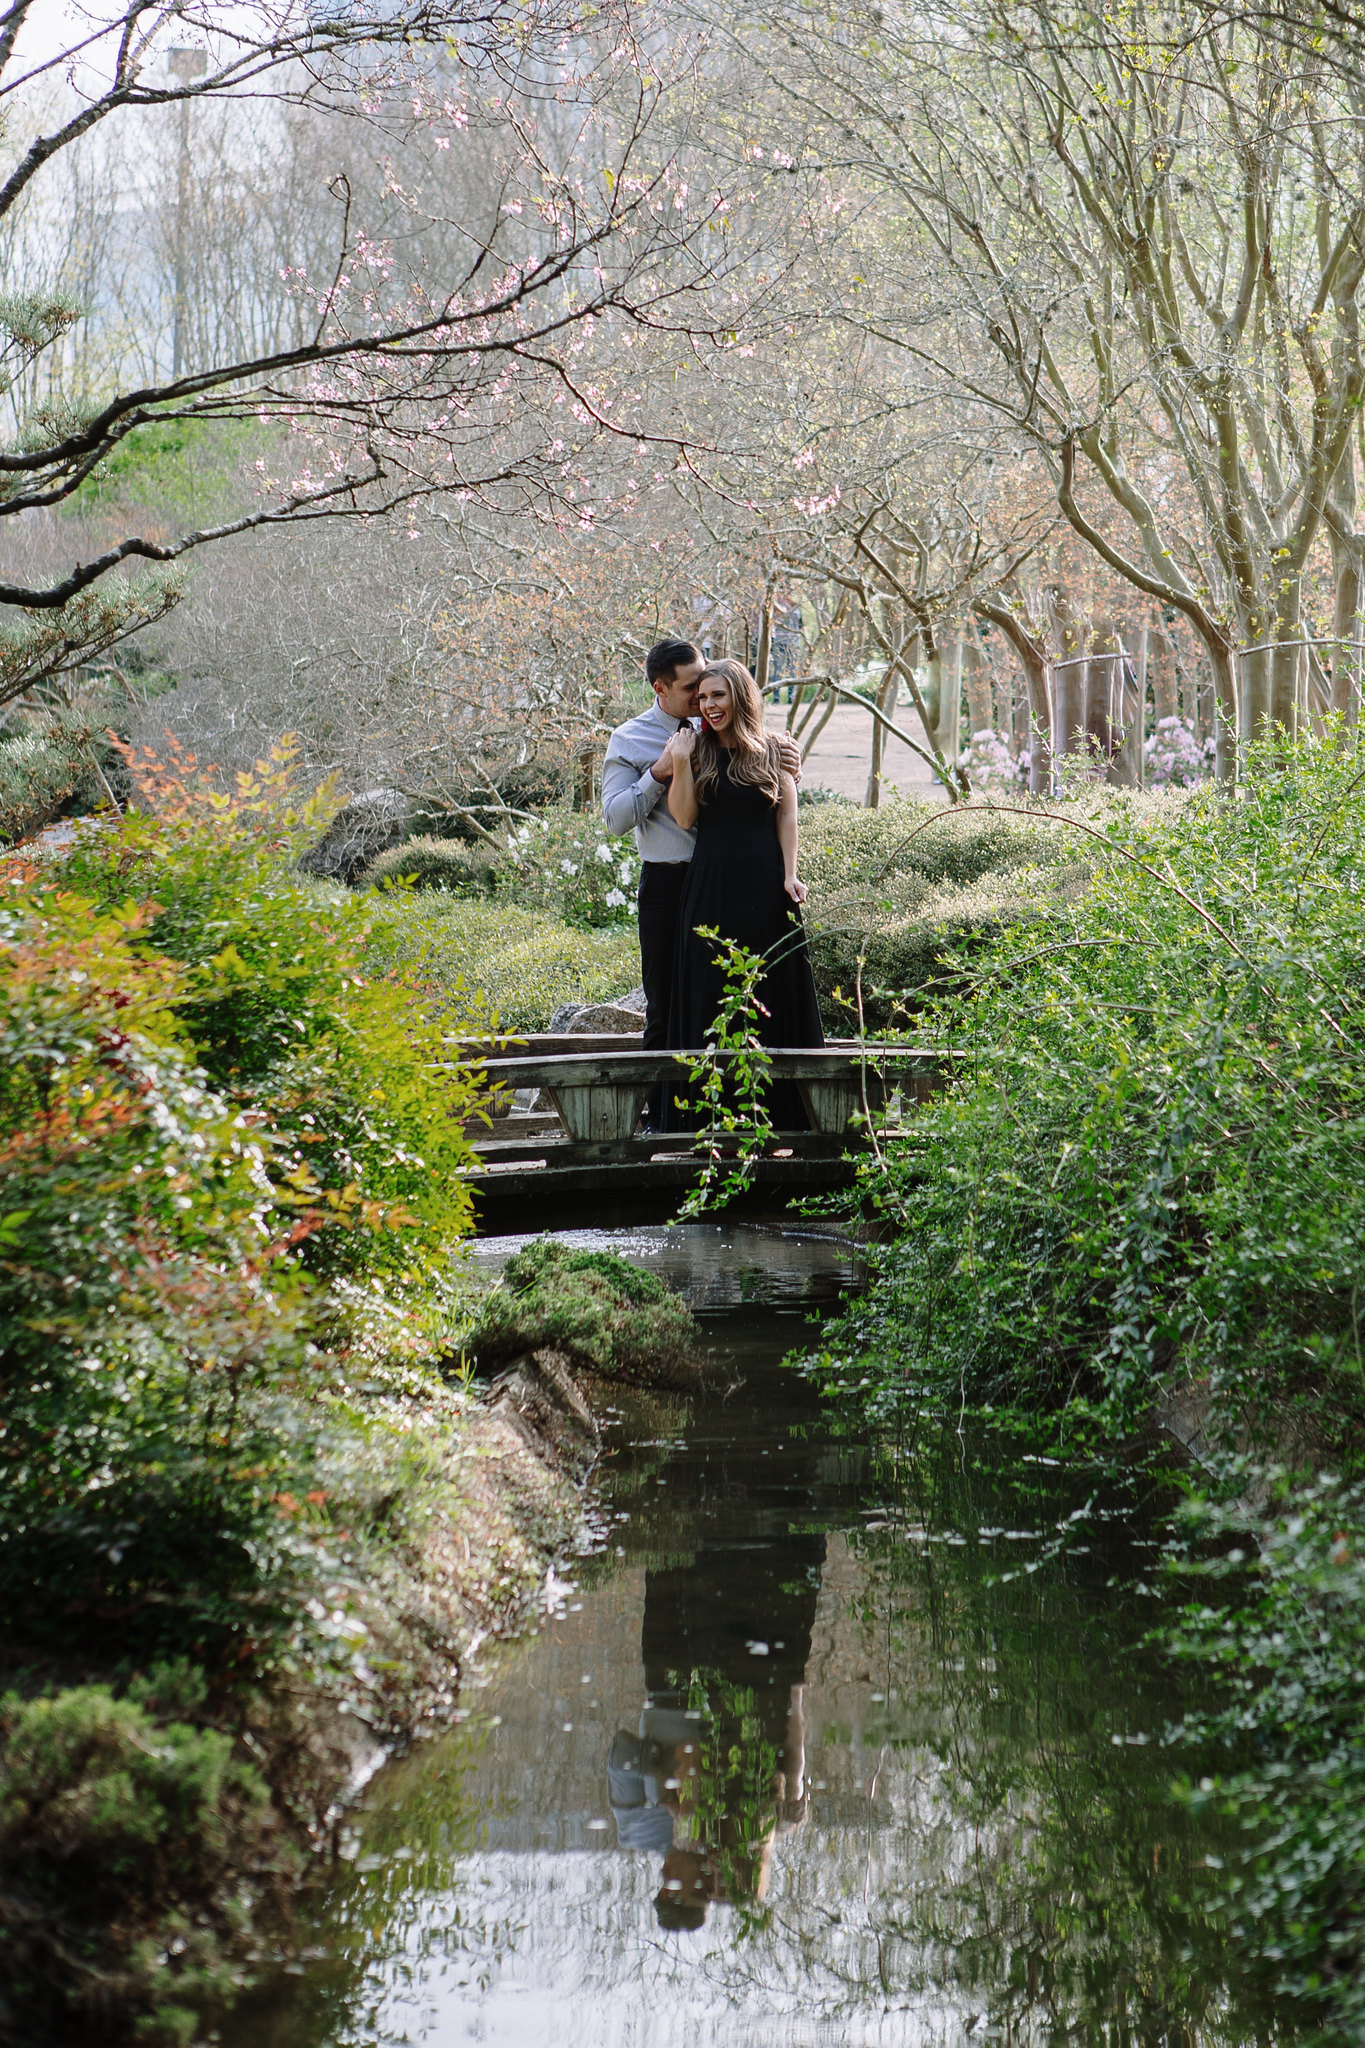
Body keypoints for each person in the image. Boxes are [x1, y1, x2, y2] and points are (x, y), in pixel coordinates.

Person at [600, 639, 801, 1127]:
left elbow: (762, 787)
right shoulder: (630, 739)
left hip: (734, 884)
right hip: (671, 884)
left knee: (742, 996)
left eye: (709, 686)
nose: (702, 699)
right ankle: (661, 1120)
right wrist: (660, 771)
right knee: (667, 1004)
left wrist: (783, 758)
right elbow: (614, 818)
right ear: (661, 688)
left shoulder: (725, 730)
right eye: (692, 688)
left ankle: (747, 1115)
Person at [662, 658, 823, 1128]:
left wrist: (791, 875)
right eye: (704, 697)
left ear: (740, 696)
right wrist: (679, 759)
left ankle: (781, 1120)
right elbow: (686, 818)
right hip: (711, 888)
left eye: (718, 696)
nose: (709, 706)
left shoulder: (774, 749)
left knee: (770, 992)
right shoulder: (695, 749)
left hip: (767, 888)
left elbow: (787, 816)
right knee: (711, 993)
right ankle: (707, 1123)